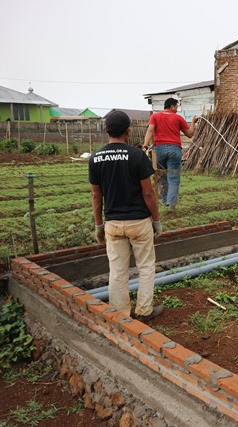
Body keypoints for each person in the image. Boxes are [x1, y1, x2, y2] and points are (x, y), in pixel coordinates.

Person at [89, 110, 164, 322]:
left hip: (112, 224)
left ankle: (120, 315)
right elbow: (148, 192)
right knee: (146, 267)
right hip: (139, 222)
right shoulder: (137, 155)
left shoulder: (95, 158)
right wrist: (156, 220)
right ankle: (144, 311)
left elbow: (96, 195)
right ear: (128, 132)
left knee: (117, 271)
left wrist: (98, 226)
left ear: (106, 130)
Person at [143, 98, 198, 213]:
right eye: (176, 107)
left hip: (159, 150)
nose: (177, 109)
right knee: (173, 178)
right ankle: (172, 205)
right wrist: (193, 122)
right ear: (172, 106)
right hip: (174, 150)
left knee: (161, 176)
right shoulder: (178, 118)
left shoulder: (155, 116)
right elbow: (190, 134)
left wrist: (145, 146)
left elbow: (150, 130)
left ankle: (164, 201)